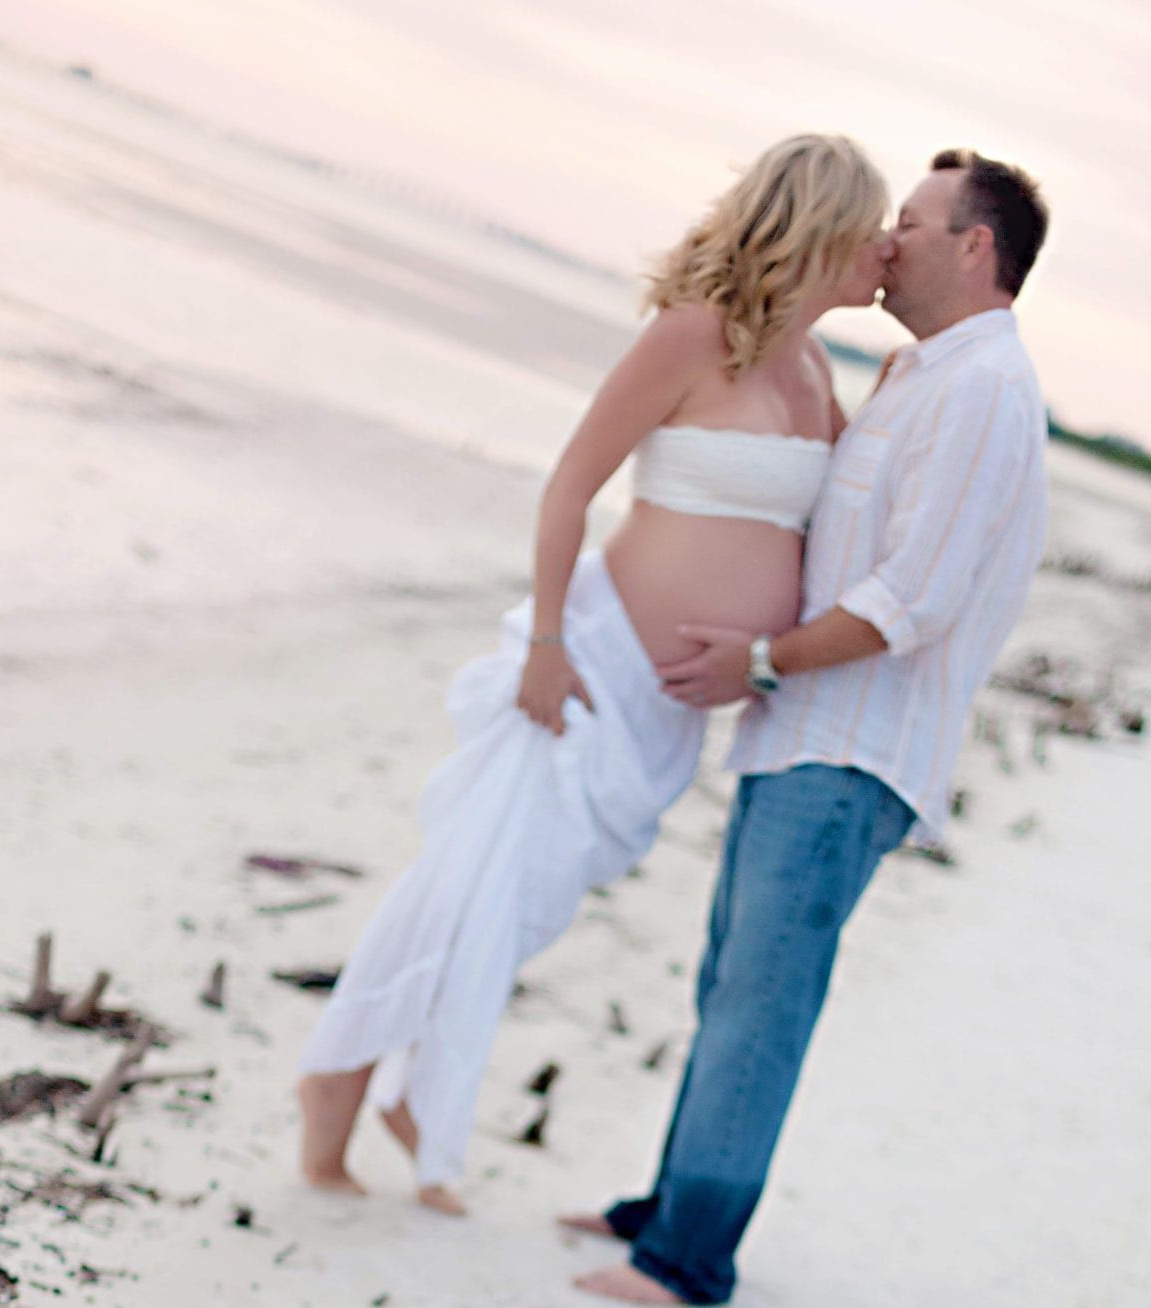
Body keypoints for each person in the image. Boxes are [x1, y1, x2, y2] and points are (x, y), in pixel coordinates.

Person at [296, 134, 890, 1214]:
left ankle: (413, 1084)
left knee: (531, 902)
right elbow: (571, 485)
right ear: (824, 229)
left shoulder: (811, 367)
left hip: (673, 705)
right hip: (593, 658)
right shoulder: (694, 334)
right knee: (475, 875)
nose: (890, 250)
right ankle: (336, 1084)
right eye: (875, 229)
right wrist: (546, 644)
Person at [566, 150, 1051, 1307]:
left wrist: (763, 657)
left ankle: (688, 1258)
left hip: (852, 749)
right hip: (802, 734)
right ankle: (671, 1202)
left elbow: (911, 602)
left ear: (976, 249)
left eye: (915, 224)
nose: (890, 240)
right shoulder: (920, 375)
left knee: (764, 1001)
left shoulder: (984, 390)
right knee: (733, 979)